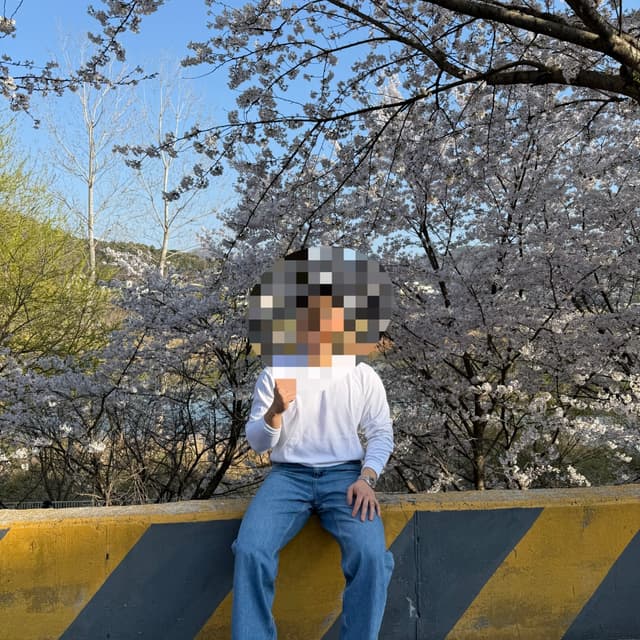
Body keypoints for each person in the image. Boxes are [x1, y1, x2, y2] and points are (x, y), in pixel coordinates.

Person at [232, 246, 395, 640]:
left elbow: (381, 433)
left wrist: (367, 478)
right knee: (250, 550)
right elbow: (257, 442)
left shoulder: (362, 376)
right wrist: (275, 412)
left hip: (346, 477)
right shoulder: (276, 372)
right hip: (288, 477)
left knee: (372, 556)